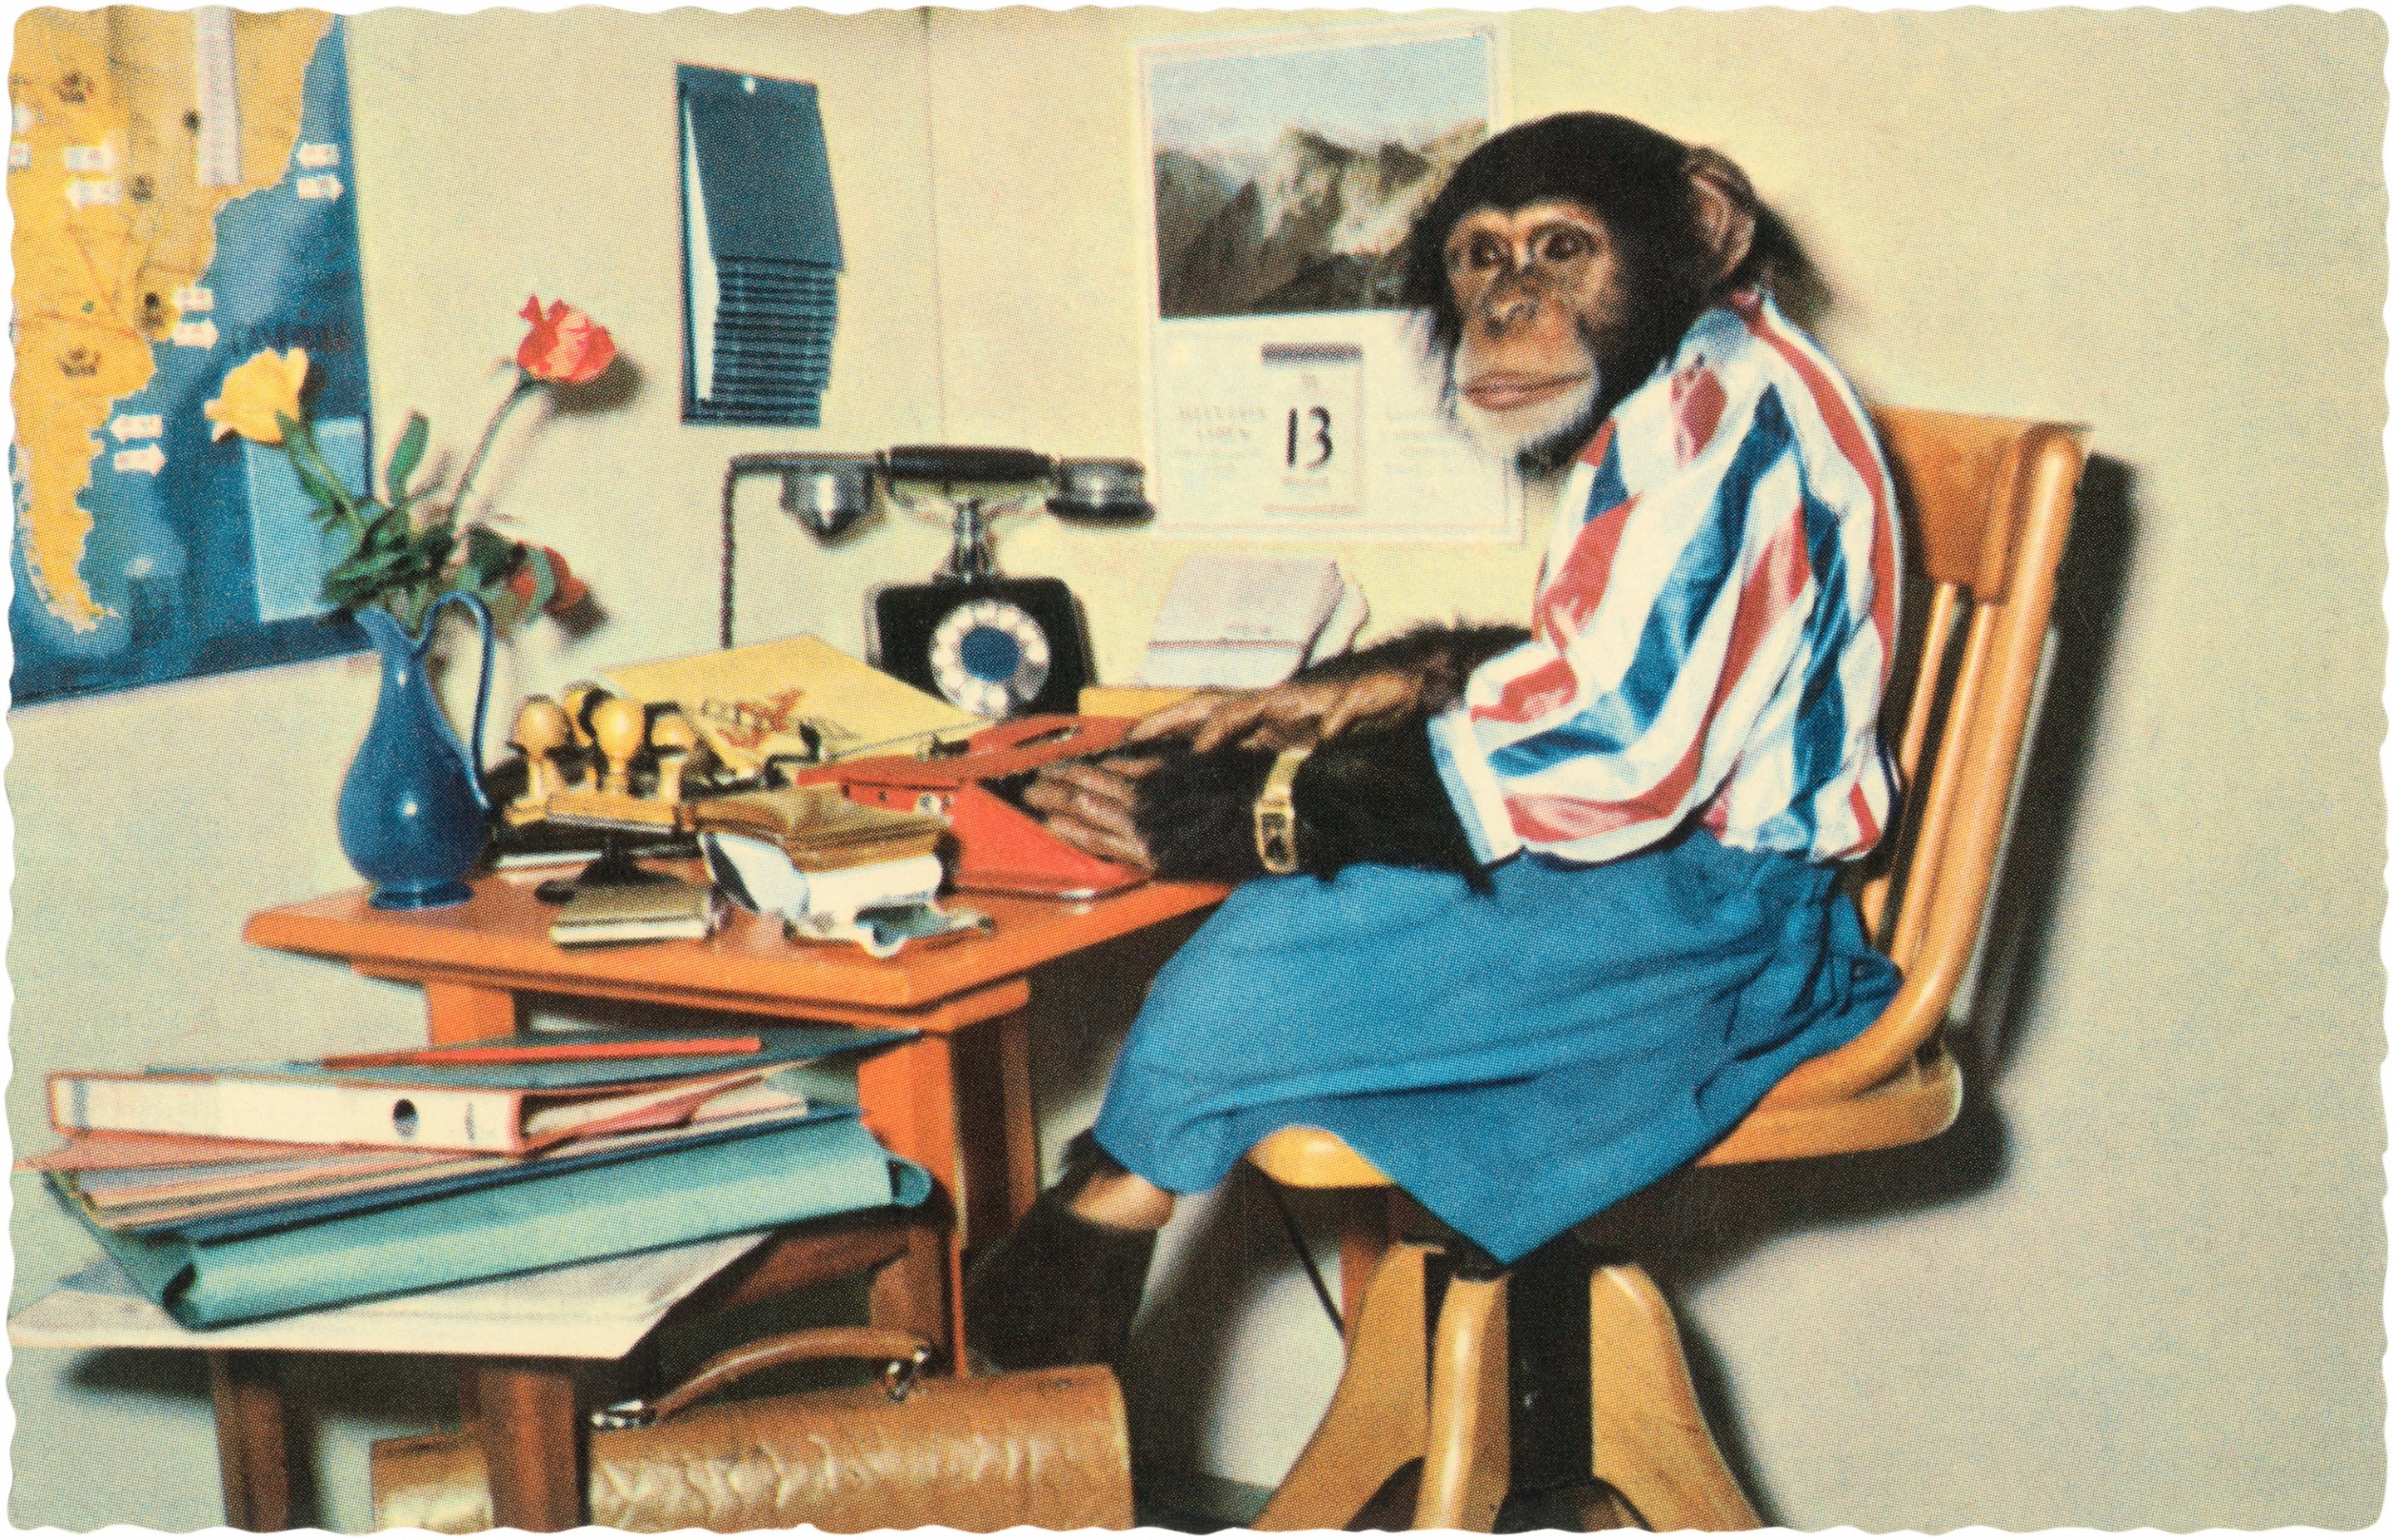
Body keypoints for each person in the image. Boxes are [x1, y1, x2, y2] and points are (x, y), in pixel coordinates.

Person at [966, 113, 1904, 1376]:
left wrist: (1256, 816)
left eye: (1561, 252)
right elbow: (1620, 650)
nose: (1513, 306)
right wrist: (1365, 688)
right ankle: (1100, 1278)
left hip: (1718, 922)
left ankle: (1055, 1330)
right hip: (1682, 882)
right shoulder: (1701, 380)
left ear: (1702, 228)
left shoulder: (1714, 414)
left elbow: (1619, 751)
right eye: (1482, 261)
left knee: (1247, 966)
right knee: (1279, 945)